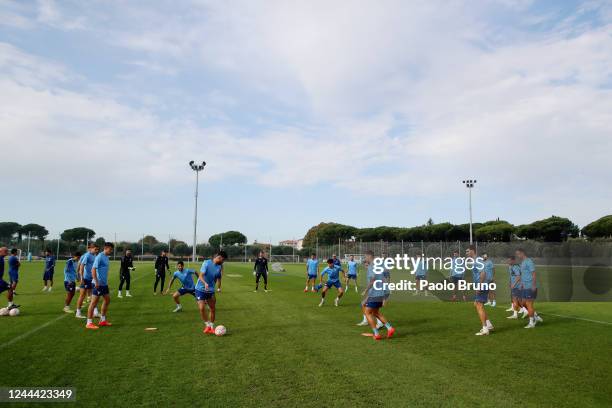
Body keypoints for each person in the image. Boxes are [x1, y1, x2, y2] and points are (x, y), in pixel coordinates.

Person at [361, 250, 395, 340]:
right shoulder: (379, 265)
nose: (365, 259)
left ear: (369, 256)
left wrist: (366, 290)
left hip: (375, 293)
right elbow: (384, 278)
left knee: (367, 312)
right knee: (375, 312)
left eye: (365, 257)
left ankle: (376, 334)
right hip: (381, 292)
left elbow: (373, 280)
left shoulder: (371, 266)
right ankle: (389, 328)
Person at [195, 251, 227, 334]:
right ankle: (207, 325)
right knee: (202, 308)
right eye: (222, 260)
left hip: (210, 291)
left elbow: (218, 279)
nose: (222, 262)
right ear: (218, 257)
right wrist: (205, 283)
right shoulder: (207, 263)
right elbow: (201, 275)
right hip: (200, 289)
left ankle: (212, 327)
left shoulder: (219, 267)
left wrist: (217, 288)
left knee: (212, 308)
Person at [86, 242, 114, 329]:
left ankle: (102, 320)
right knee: (93, 303)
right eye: (110, 249)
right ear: (106, 248)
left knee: (107, 300)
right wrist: (96, 282)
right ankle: (89, 323)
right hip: (97, 284)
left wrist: (105, 282)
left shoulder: (106, 257)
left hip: (104, 284)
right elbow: (93, 269)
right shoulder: (99, 256)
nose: (111, 251)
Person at [468, 245, 494, 336]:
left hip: (482, 286)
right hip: (482, 285)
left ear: (472, 251)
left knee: (479, 306)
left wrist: (479, 286)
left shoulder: (477, 260)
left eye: (468, 251)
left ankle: (485, 329)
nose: (467, 253)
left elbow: (483, 273)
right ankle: (489, 325)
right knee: (477, 304)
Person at [516, 248, 543, 329]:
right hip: (524, 286)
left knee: (529, 304)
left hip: (530, 286)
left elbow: (533, 274)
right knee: (523, 303)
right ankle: (536, 316)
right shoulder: (523, 262)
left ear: (522, 253)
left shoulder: (529, 261)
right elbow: (524, 274)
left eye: (518, 254)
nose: (517, 255)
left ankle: (531, 323)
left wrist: (533, 285)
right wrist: (521, 284)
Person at [75, 243, 100, 319]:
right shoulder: (87, 255)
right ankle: (78, 313)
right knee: (82, 296)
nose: (96, 251)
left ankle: (95, 312)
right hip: (86, 279)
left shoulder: (94, 256)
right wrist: (81, 278)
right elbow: (82, 266)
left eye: (97, 249)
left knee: (94, 296)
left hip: (92, 279)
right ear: (91, 248)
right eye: (95, 249)